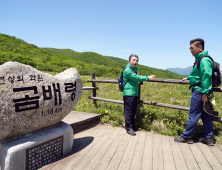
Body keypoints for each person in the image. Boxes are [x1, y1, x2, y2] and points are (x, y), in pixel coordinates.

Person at [174, 38, 214, 146]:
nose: (190, 50)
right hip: (204, 90)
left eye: (192, 48)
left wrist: (204, 93)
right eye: (190, 48)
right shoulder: (200, 59)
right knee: (206, 114)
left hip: (200, 91)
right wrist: (189, 78)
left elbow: (206, 76)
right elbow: (198, 75)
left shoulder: (204, 60)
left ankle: (187, 137)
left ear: (200, 47)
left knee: (194, 114)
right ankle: (208, 137)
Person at [123, 54, 155, 136]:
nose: (135, 62)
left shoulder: (133, 70)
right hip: (129, 94)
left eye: (137, 60)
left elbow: (135, 78)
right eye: (133, 60)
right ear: (129, 61)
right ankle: (128, 128)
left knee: (133, 111)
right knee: (129, 112)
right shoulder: (127, 70)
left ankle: (133, 126)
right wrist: (147, 78)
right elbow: (136, 78)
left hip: (134, 93)